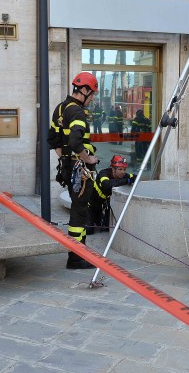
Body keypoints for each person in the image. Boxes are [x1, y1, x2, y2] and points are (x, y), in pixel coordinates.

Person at [47, 71, 99, 269]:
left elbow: (53, 139)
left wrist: (66, 158)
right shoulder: (77, 112)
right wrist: (88, 158)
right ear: (84, 90)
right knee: (79, 211)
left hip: (69, 167)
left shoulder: (60, 108)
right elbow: (76, 141)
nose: (92, 98)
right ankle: (76, 257)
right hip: (81, 169)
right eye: (92, 94)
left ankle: (79, 251)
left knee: (78, 208)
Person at [88, 155, 135, 234]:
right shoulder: (104, 173)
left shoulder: (122, 175)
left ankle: (100, 219)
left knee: (107, 227)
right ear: (113, 169)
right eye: (120, 169)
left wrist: (130, 179)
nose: (123, 172)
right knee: (89, 230)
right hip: (90, 205)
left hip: (103, 206)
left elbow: (135, 177)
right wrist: (126, 181)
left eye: (124, 169)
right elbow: (106, 184)